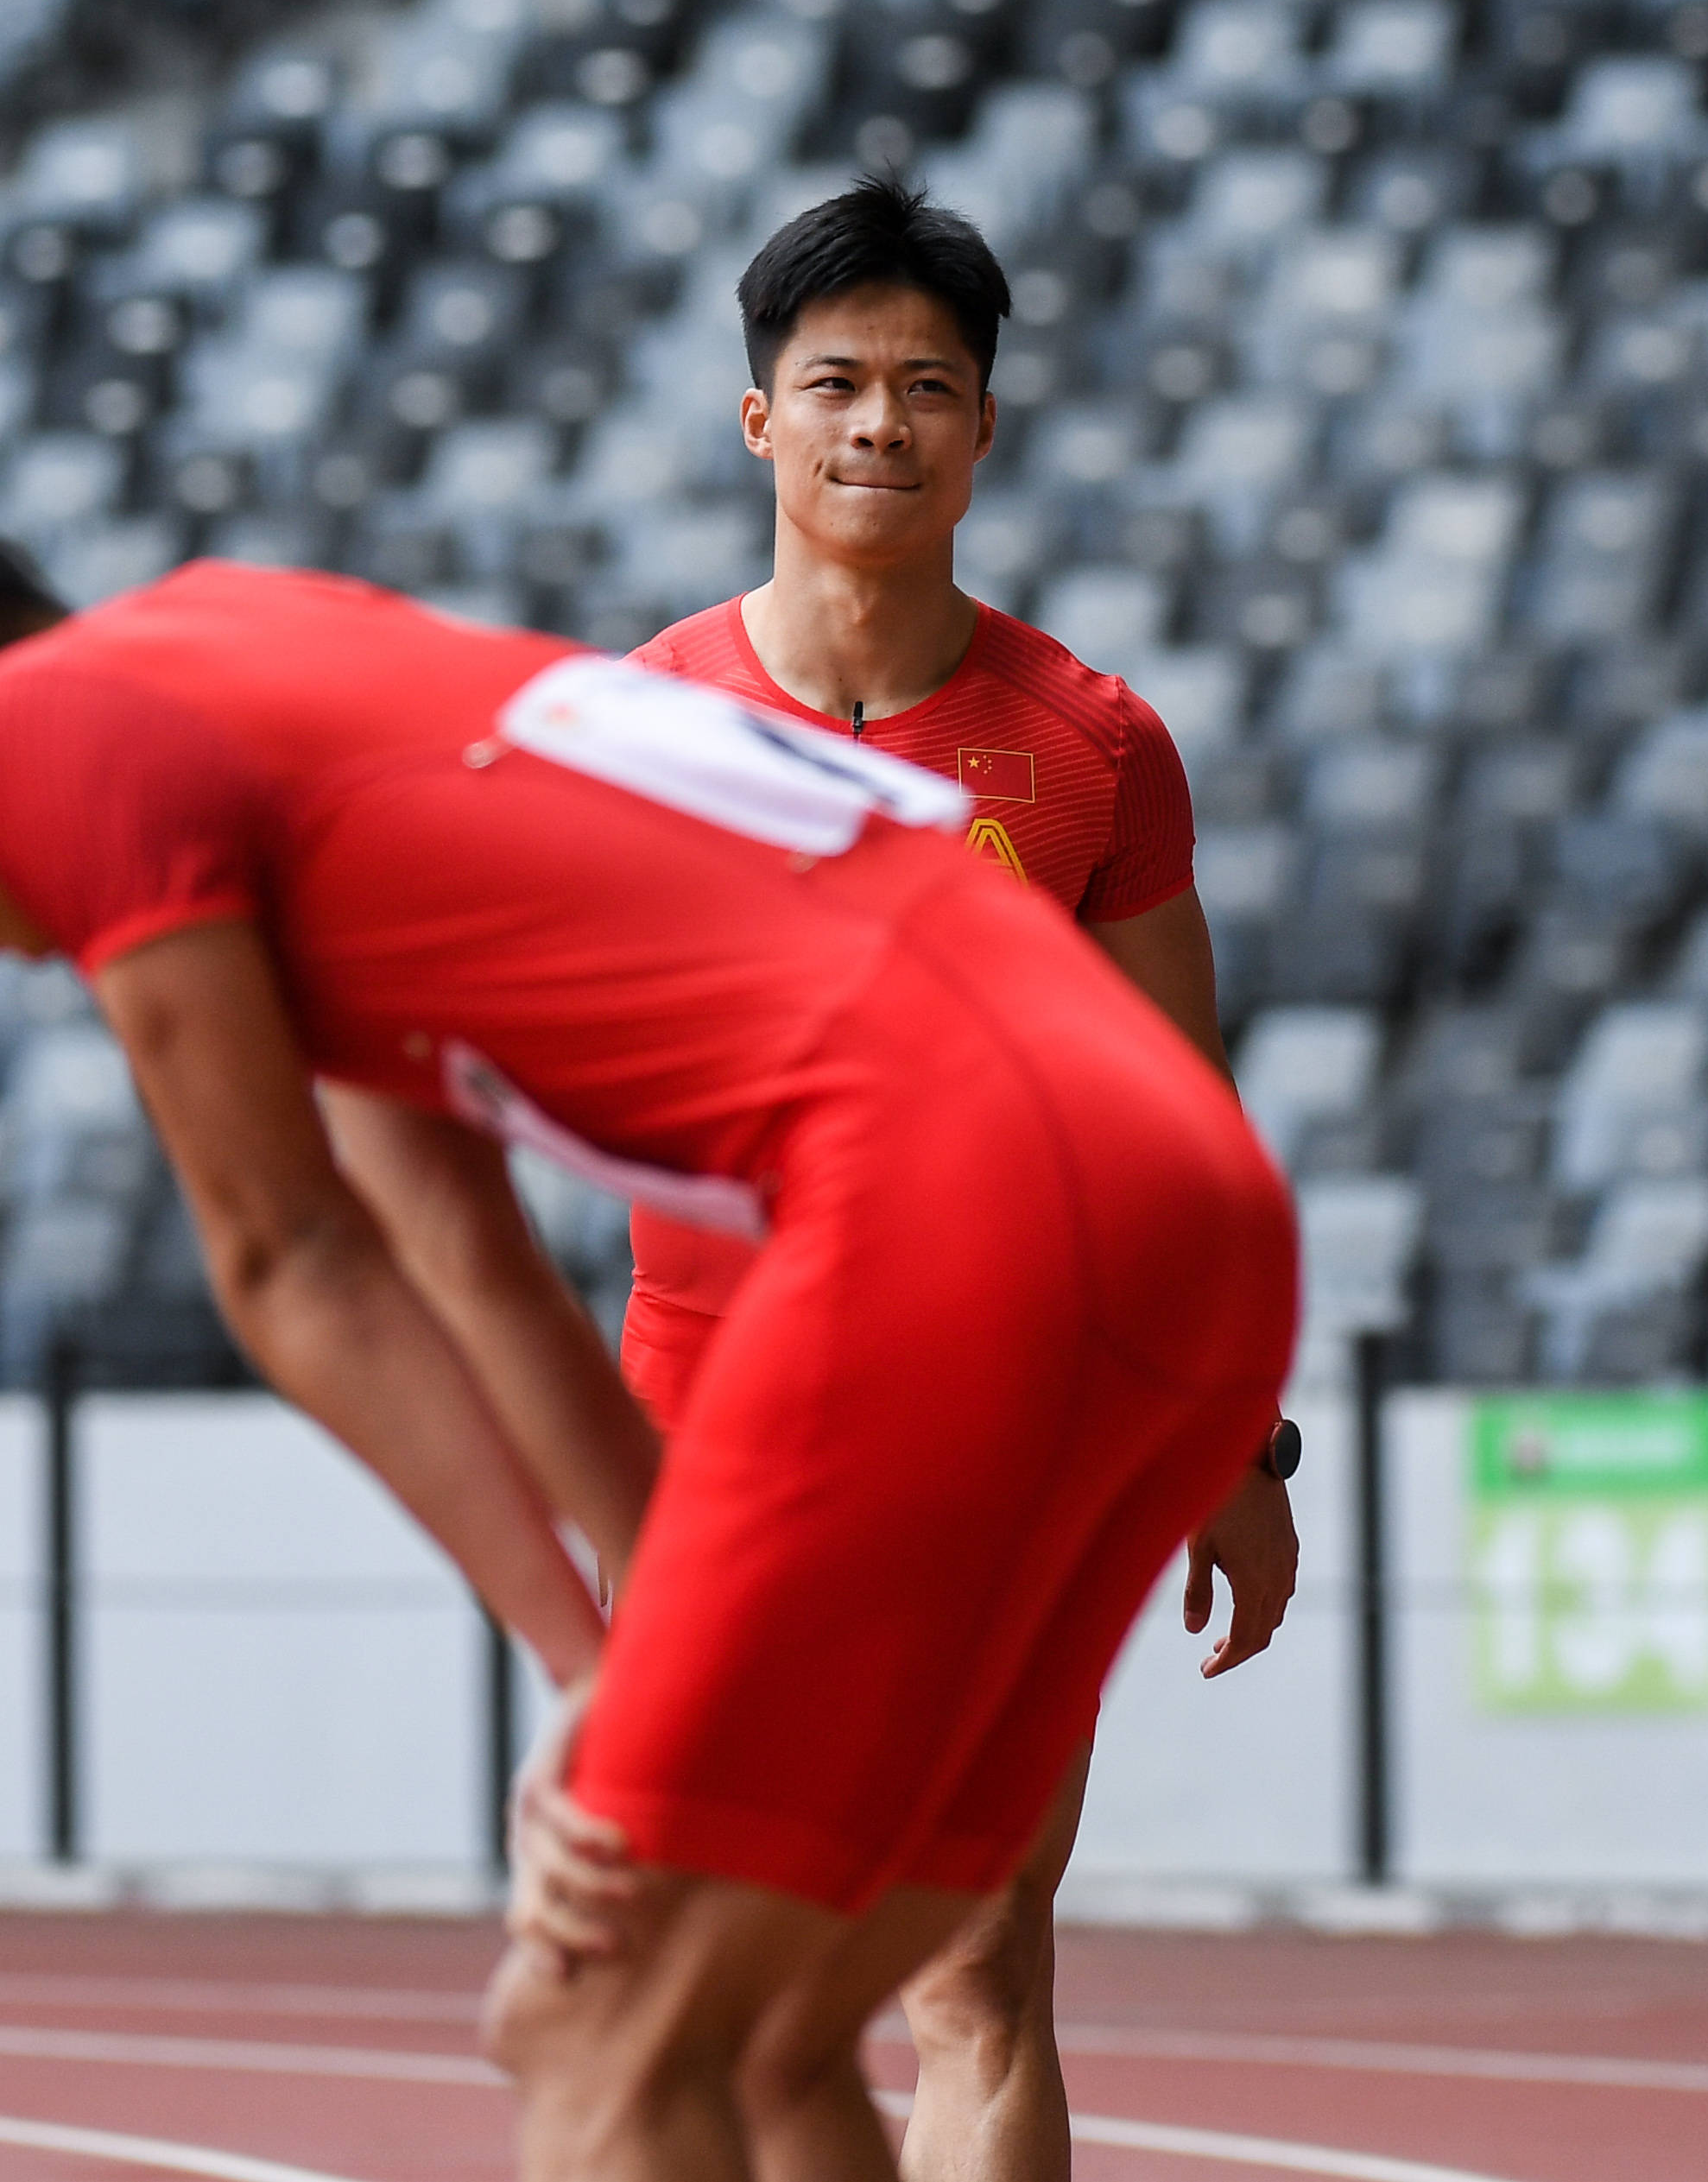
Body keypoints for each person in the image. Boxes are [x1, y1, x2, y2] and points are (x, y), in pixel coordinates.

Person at [0, 490, 1298, 2182]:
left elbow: (289, 1251)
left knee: (589, 2022)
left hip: (953, 1182)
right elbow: (452, 1245)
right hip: (1179, 1206)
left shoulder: (48, 723)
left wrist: (608, 1685)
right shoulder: (254, 661)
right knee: (758, 2035)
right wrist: (600, 1663)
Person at [545, 174, 1300, 2182]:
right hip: (707, 1410)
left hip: (999, 1419)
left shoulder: (1090, 748)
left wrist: (1242, 1445)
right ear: (757, 422)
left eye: (924, 386)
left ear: (983, 428)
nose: (877, 423)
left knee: (980, 1971)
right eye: (835, 383)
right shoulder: (633, 726)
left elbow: (1180, 1119)